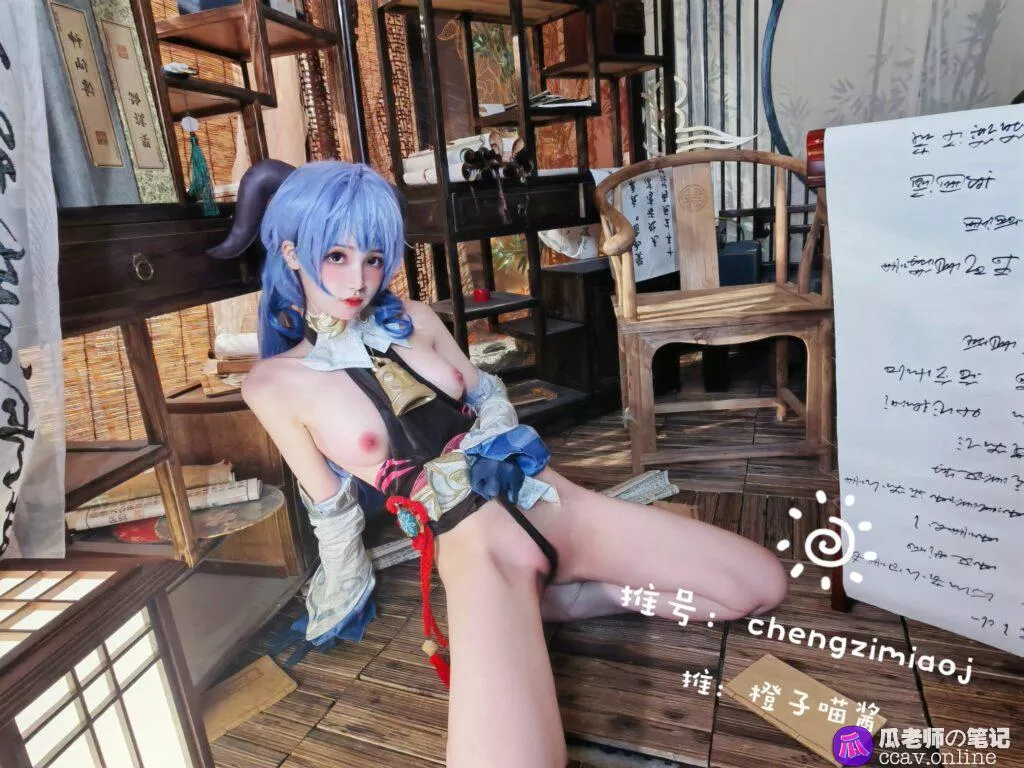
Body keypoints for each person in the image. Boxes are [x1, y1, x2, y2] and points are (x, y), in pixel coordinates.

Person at [210, 160, 788, 768]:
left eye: (374, 258)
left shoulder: (419, 320)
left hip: (549, 500)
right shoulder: (272, 385)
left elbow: (488, 393)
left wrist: (487, 436)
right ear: (290, 251)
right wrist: (341, 597)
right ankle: (550, 598)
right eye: (336, 256)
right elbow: (330, 509)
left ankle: (574, 597)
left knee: (758, 587)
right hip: (477, 550)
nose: (359, 279)